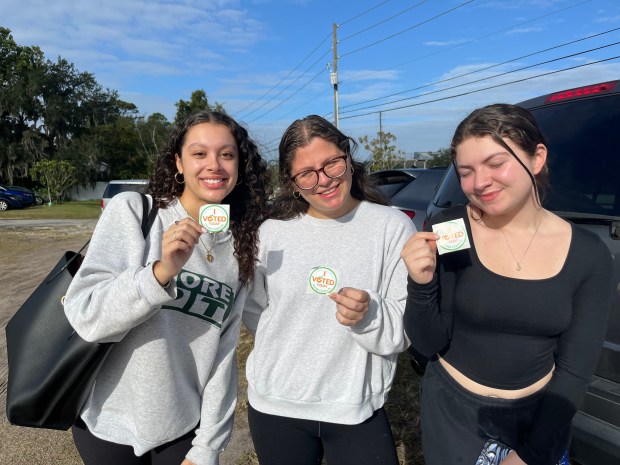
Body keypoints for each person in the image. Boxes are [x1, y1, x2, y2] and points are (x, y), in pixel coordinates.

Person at [401, 103, 612, 465]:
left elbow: (576, 370)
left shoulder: (589, 254)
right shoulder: (453, 229)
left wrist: (532, 452)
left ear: (537, 158)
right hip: (452, 415)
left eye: (496, 164)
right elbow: (427, 342)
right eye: (465, 172)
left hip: (537, 419)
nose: (479, 183)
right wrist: (420, 284)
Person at [63, 110, 269, 465]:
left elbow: (223, 355)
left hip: (181, 429)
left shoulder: (240, 246)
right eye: (199, 153)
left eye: (227, 154)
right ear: (178, 161)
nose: (214, 165)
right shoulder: (135, 213)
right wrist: (160, 273)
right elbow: (87, 317)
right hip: (108, 425)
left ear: (240, 166)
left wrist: (208, 446)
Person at [242, 115, 415, 465]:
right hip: (276, 405)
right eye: (306, 173)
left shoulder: (392, 227)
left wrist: (369, 316)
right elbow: (254, 311)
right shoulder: (272, 233)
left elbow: (406, 328)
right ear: (292, 183)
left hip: (355, 407)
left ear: (348, 158)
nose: (324, 181)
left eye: (332, 164)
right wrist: (290, 341)